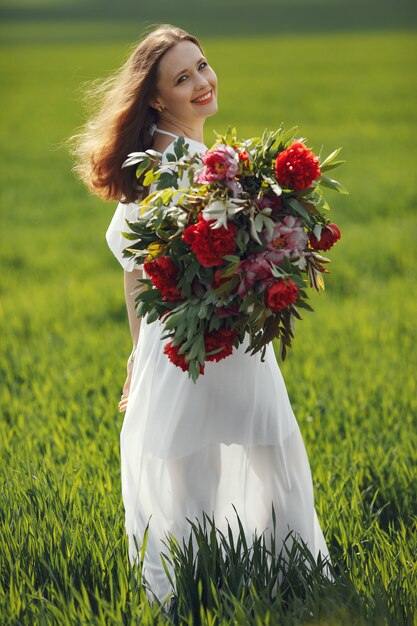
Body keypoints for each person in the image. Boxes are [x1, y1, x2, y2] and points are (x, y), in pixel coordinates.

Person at [72, 24, 331, 605]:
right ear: (157, 98)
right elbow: (147, 270)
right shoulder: (187, 162)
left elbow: (134, 271)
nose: (202, 82)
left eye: (202, 66)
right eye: (182, 77)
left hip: (179, 340)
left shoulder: (158, 158)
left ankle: (195, 590)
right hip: (213, 335)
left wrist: (139, 357)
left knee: (188, 469)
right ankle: (288, 582)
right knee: (268, 450)